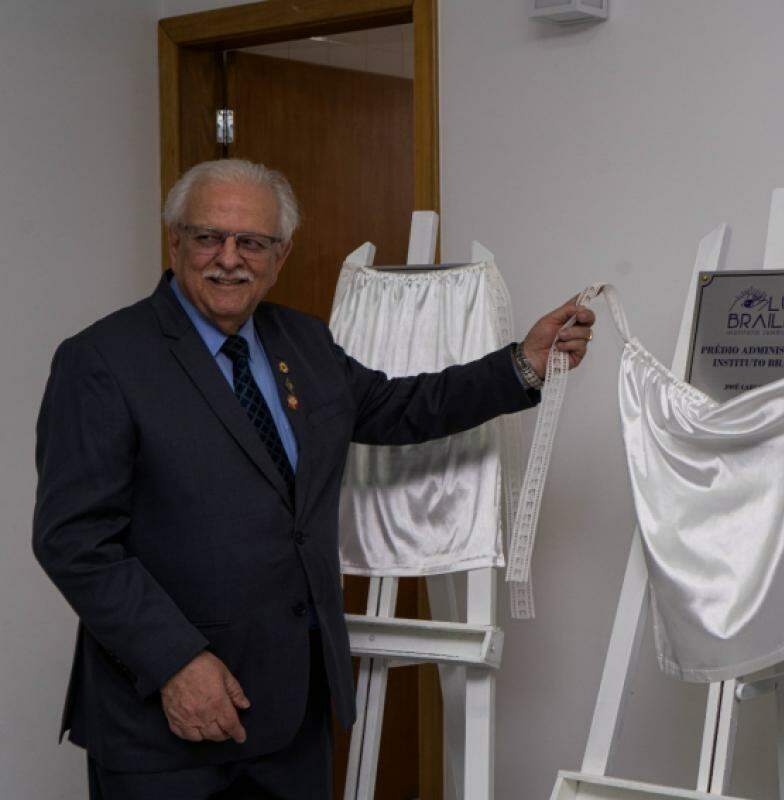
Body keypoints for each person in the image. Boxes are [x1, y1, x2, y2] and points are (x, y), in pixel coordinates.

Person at [32, 158, 595, 799]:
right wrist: (175, 663)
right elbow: (74, 542)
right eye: (208, 237)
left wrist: (521, 365)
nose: (228, 258)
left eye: (252, 242)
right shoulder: (103, 359)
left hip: (294, 717)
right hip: (165, 724)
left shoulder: (301, 339)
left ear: (281, 254)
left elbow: (394, 407)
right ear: (175, 242)